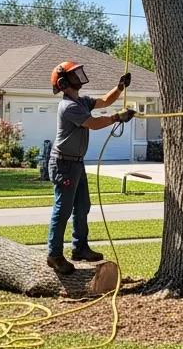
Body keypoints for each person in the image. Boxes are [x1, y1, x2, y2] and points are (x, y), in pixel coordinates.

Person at [46, 60, 135, 275]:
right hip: (63, 164)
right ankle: (54, 255)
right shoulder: (69, 106)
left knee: (83, 205)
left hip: (76, 163)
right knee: (63, 209)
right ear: (63, 82)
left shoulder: (82, 101)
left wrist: (120, 87)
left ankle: (80, 248)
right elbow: (93, 124)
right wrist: (117, 118)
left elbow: (104, 101)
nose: (79, 76)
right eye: (74, 75)